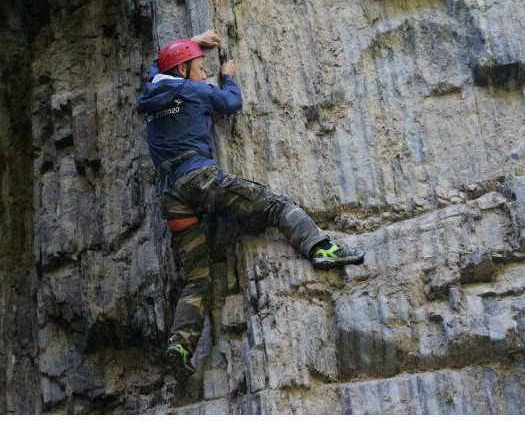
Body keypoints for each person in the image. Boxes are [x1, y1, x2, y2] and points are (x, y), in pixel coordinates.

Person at [138, 29, 363, 375]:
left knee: (197, 275)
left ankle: (180, 344)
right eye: (200, 68)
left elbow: (160, 69)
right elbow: (231, 104)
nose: (204, 74)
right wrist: (227, 77)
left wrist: (194, 43)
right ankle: (321, 248)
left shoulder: (151, 94)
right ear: (183, 72)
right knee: (275, 205)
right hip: (200, 179)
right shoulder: (195, 91)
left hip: (172, 197)